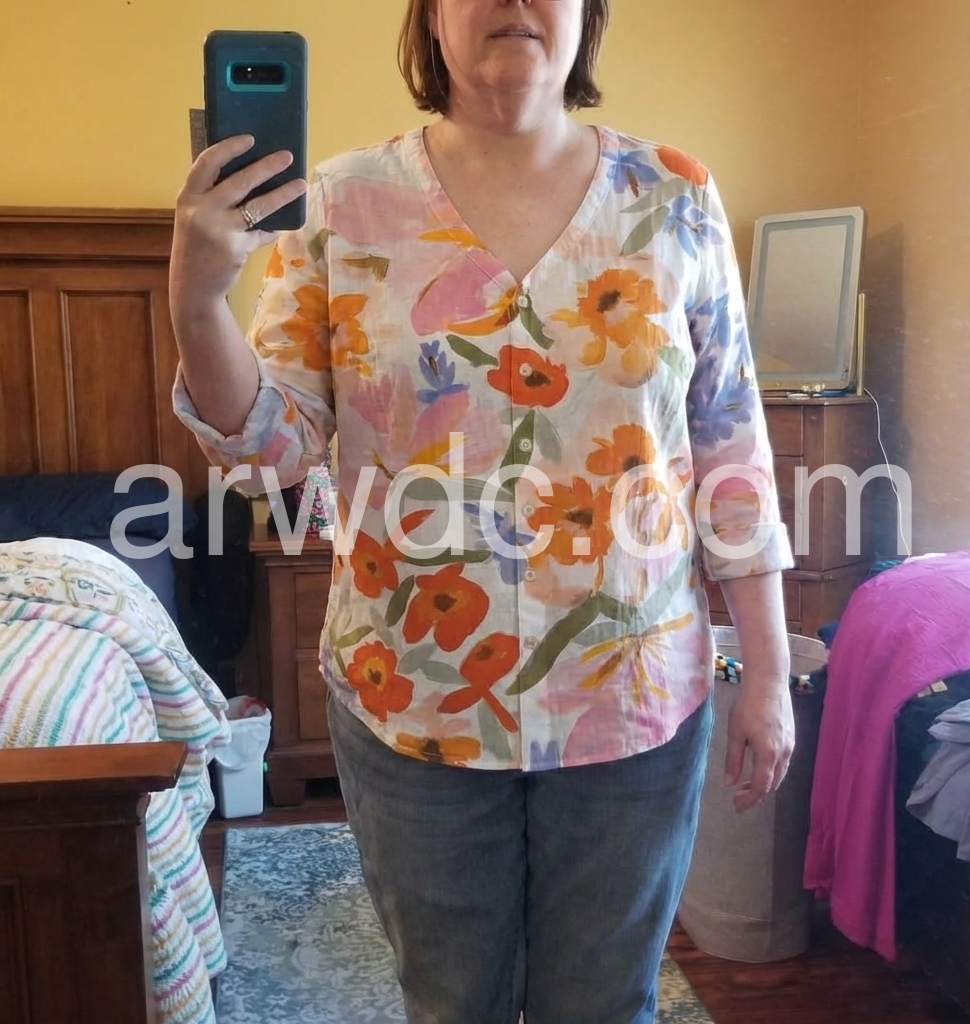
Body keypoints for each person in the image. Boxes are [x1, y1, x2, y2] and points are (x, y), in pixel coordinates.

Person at [170, 2, 795, 1021]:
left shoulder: (674, 194)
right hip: (412, 703)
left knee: (606, 1004)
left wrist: (766, 672)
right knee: (452, 1003)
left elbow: (731, 449)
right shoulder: (337, 204)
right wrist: (198, 303)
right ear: (430, 15)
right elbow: (270, 455)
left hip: (630, 704)